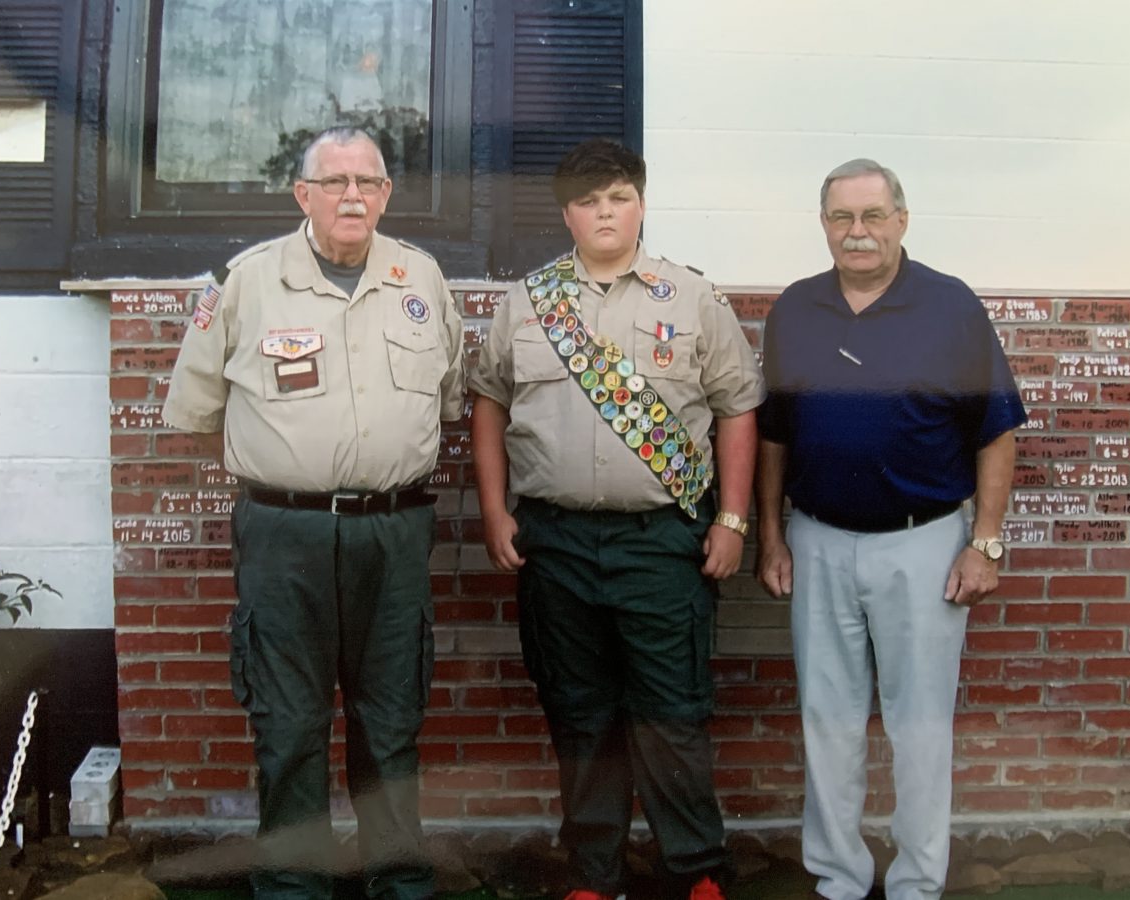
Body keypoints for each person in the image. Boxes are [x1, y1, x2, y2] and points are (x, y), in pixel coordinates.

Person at [162, 127, 464, 900]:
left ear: (388, 194)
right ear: (303, 195)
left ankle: (397, 879)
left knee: (391, 720)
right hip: (285, 534)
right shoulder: (247, 282)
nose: (353, 196)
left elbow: (448, 399)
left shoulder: (421, 279)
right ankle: (294, 885)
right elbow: (196, 411)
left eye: (369, 181)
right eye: (334, 182)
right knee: (291, 723)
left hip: (394, 531)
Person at [469, 138, 764, 900]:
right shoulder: (528, 303)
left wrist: (731, 519)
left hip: (663, 540)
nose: (606, 213)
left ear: (641, 202)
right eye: (589, 201)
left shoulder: (691, 297)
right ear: (566, 213)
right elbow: (490, 402)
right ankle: (594, 876)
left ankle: (695, 871)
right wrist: (497, 510)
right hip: (555, 541)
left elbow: (738, 407)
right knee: (582, 714)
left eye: (620, 197)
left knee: (672, 711)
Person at [755, 158, 1026, 900]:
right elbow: (774, 435)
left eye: (873, 216)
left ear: (902, 220)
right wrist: (772, 537)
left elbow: (995, 433)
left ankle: (915, 881)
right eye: (842, 218)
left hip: (925, 542)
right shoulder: (795, 311)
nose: (858, 232)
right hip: (817, 539)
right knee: (829, 720)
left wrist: (986, 541)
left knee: (920, 726)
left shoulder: (951, 307)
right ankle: (840, 877)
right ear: (823, 225)